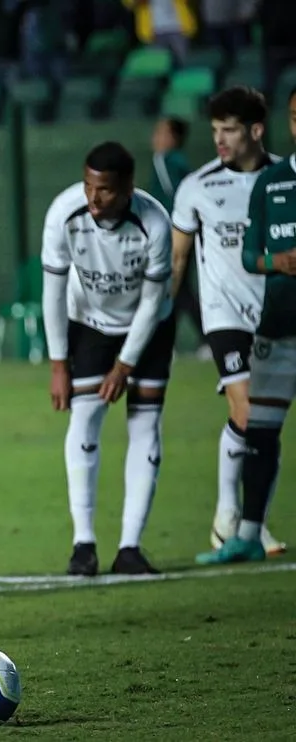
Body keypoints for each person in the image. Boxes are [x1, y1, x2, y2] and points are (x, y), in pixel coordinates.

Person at [41, 141, 175, 577]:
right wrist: (59, 363)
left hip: (148, 327)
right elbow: (53, 291)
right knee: (83, 421)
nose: (94, 199)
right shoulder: (64, 213)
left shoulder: (154, 222)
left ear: (128, 188)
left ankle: (130, 548)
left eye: (105, 191)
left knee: (145, 424)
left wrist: (126, 365)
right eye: (88, 186)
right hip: (90, 325)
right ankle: (83, 545)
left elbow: (154, 302)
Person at [169, 86, 287, 557]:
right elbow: (179, 260)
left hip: (278, 316)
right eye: (215, 130)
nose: (219, 139)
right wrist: (161, 317)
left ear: (255, 131)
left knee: (265, 429)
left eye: (229, 130)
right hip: (224, 317)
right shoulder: (197, 186)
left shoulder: (284, 181)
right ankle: (229, 517)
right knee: (248, 412)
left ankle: (250, 522)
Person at [149, 115, 209, 359]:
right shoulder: (179, 162)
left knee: (177, 289)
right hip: (187, 230)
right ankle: (170, 342)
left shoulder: (164, 160)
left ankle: (207, 339)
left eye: (161, 132)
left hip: (176, 232)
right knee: (176, 290)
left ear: (173, 138)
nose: (155, 138)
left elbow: (179, 197)